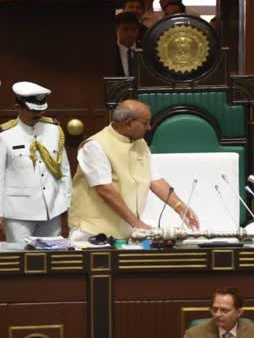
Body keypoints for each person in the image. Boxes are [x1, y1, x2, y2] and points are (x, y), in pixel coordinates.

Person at [68, 99, 199, 240]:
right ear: (129, 123)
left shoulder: (140, 143)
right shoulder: (95, 145)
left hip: (127, 229)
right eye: (145, 123)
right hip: (93, 232)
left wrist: (180, 207)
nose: (149, 127)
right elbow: (105, 191)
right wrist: (138, 225)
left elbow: (155, 180)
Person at [0, 82, 71, 242]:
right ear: (17, 107)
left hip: (52, 208)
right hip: (19, 211)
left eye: (41, 110)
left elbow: (64, 170)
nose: (37, 115)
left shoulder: (54, 129)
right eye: (32, 110)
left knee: (51, 256)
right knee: (21, 257)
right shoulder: (4, 134)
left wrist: (66, 202)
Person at [114, 12, 140, 77]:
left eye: (134, 29)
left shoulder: (145, 51)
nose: (130, 33)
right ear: (116, 29)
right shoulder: (109, 52)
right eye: (125, 29)